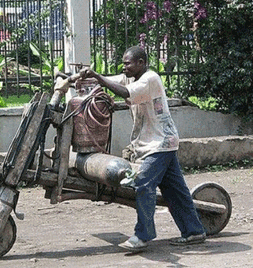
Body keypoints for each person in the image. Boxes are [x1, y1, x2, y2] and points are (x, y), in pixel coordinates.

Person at [79, 46, 206, 251]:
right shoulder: (131, 77)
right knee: (175, 190)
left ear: (141, 63)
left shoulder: (150, 79)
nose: (124, 66)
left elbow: (124, 92)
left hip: (160, 143)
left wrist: (97, 77)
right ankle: (194, 231)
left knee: (143, 184)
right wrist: (82, 77)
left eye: (128, 63)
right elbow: (113, 81)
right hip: (155, 143)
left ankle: (143, 236)